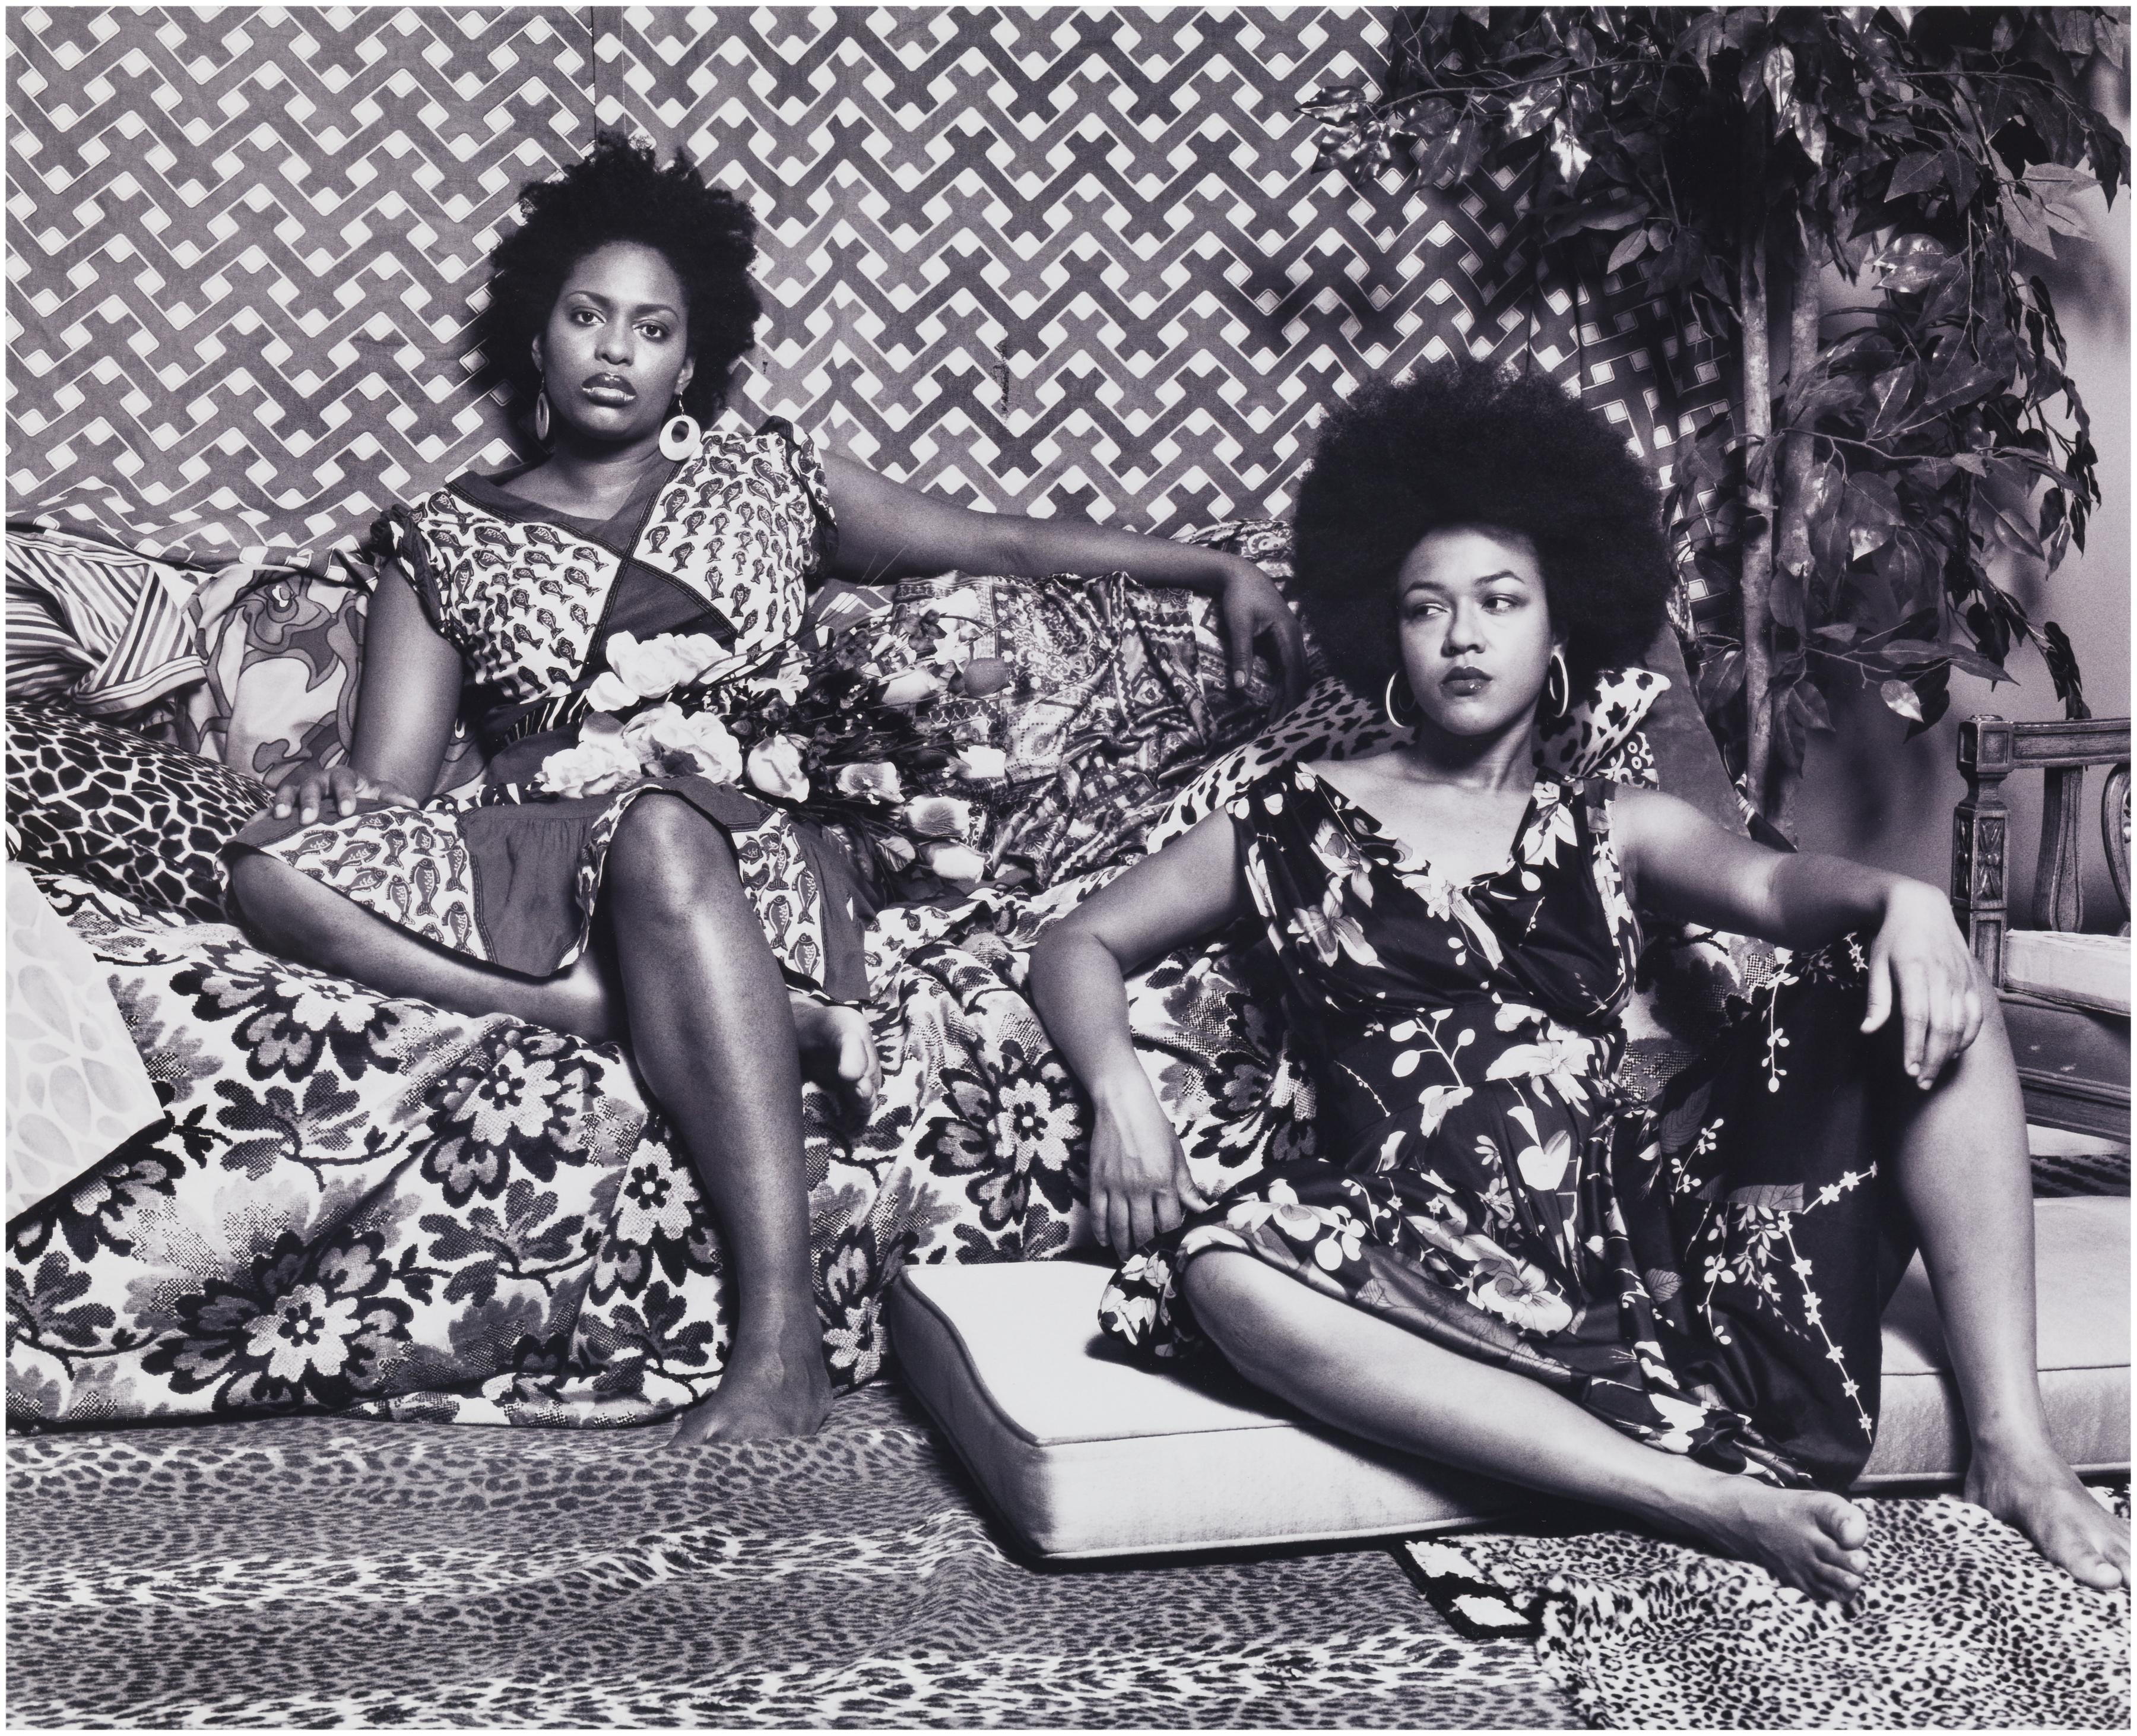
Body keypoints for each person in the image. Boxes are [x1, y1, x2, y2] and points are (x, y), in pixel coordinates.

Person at [226, 132, 1307, 1443]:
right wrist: (334, 795)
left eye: (651, 327)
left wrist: (1209, 567)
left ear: (693, 359)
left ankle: (780, 1338)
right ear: (537, 340)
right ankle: (602, 1006)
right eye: (585, 316)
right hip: (526, 862)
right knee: (264, 868)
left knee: (666, 833)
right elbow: (392, 787)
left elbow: (1005, 536)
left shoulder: (768, 476)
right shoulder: (441, 540)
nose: (614, 351)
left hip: (737, 849)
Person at [1029, 362, 2129, 1600]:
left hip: (1634, 1246)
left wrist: (1904, 899)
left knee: (1934, 997)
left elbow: (1775, 891)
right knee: (1223, 1272)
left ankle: (2013, 1448)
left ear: (1560, 623)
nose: (1463, 635)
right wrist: (1119, 1090)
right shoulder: (1287, 816)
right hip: (1401, 1243)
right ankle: (1694, 1498)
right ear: (1383, 628)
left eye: (1500, 600)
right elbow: (1074, 943)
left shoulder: (1611, 820)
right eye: (1427, 606)